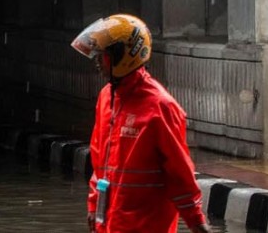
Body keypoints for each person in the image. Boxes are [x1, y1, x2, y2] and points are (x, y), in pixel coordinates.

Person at [71, 14, 211, 233]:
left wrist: (196, 222)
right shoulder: (107, 98)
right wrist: (93, 204)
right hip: (109, 224)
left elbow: (180, 173)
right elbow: (100, 163)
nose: (97, 62)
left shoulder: (160, 107)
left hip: (146, 225)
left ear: (122, 56)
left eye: (103, 55)